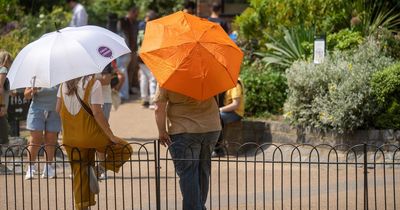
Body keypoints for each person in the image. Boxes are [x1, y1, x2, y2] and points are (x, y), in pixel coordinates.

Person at [56, 75, 132, 210]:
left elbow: (58, 109)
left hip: (70, 138)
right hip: (91, 135)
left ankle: (82, 206)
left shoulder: (63, 84)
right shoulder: (93, 83)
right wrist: (111, 135)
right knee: (125, 149)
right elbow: (97, 112)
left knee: (79, 176)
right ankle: (99, 170)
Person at [154, 87, 221, 210]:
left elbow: (159, 108)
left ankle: (196, 207)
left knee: (188, 172)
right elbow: (216, 98)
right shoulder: (207, 71)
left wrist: (162, 131)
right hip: (211, 126)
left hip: (183, 129)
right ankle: (200, 206)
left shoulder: (168, 76)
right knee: (203, 169)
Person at [24, 86, 61, 180]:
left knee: (51, 141)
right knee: (35, 140)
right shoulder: (36, 75)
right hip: (37, 110)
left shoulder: (59, 75)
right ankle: (30, 168)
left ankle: (48, 169)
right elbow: (26, 95)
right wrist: (34, 89)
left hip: (55, 110)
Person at [213, 80, 245, 157]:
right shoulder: (223, 85)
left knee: (217, 118)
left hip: (235, 113)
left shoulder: (235, 85)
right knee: (213, 117)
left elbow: (235, 104)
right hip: (224, 112)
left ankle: (218, 149)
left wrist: (220, 109)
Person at [138, 10, 158, 109]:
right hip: (149, 55)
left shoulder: (140, 25)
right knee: (152, 78)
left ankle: (144, 99)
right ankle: (153, 100)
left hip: (140, 55)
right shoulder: (151, 27)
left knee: (144, 78)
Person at [120, 7, 140, 95]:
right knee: (125, 70)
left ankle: (129, 87)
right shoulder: (124, 21)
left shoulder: (135, 22)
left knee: (132, 70)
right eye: (135, 13)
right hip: (126, 50)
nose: (137, 15)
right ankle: (124, 89)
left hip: (133, 49)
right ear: (131, 12)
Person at [0, 50, 11, 145]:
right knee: (4, 137)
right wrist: (3, 106)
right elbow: (0, 87)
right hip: (1, 107)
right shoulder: (3, 69)